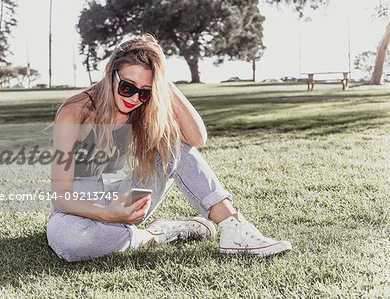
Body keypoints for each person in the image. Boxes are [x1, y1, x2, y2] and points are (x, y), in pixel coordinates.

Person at [47, 34, 291, 262]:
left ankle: (233, 227)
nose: (133, 99)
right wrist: (110, 215)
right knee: (70, 241)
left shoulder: (142, 110)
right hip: (75, 208)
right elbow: (61, 197)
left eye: (145, 92)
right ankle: (159, 233)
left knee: (173, 146)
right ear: (111, 73)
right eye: (127, 87)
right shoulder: (75, 112)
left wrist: (164, 83)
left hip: (117, 197)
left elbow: (197, 138)